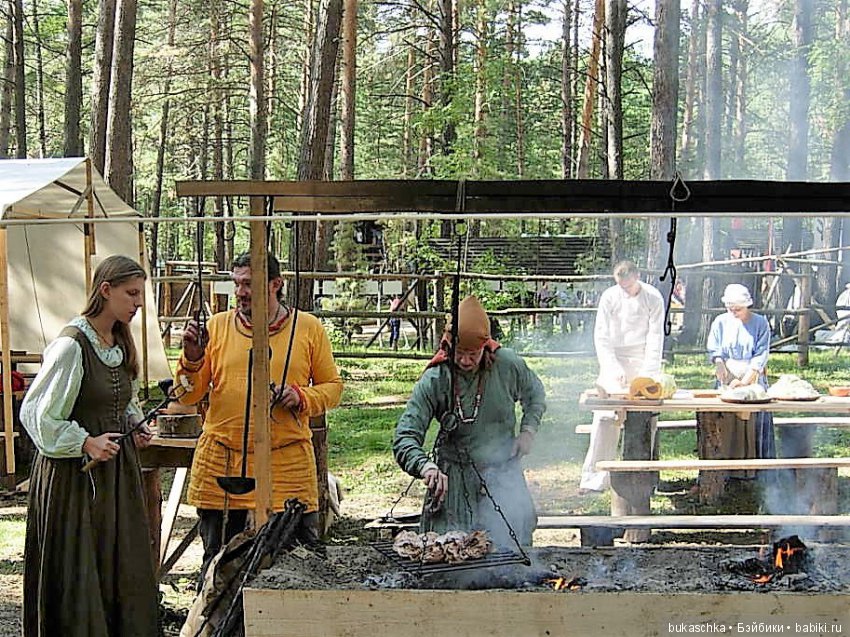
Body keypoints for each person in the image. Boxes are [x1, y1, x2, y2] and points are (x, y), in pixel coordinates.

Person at [177, 252, 343, 578]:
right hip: (223, 462)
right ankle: (217, 626)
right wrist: (191, 359)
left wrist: (300, 396)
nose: (240, 292)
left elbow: (333, 388)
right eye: (237, 283)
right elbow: (187, 394)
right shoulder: (217, 328)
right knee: (219, 563)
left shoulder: (307, 328)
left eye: (249, 284)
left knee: (299, 562)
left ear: (275, 285)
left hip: (287, 464)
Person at [21, 255, 159, 637]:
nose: (137, 302)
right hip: (74, 482)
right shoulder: (72, 345)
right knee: (81, 567)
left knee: (120, 564)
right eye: (130, 293)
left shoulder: (118, 340)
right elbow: (37, 415)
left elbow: (119, 398)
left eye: (139, 294)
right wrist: (85, 442)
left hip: (116, 477)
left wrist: (135, 422)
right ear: (105, 290)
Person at [393, 295, 546, 547]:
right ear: (448, 345)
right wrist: (425, 467)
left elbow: (535, 395)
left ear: (485, 346)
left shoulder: (508, 365)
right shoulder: (436, 379)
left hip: (502, 474)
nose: (465, 361)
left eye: (472, 354)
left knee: (512, 547)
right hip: (454, 478)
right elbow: (405, 437)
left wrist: (528, 430)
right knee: (450, 548)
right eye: (459, 353)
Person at [580, 260, 665, 494]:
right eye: (620, 285)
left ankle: (644, 477)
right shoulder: (609, 297)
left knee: (646, 417)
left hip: (642, 359)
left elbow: (656, 336)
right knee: (605, 418)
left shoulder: (653, 297)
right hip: (614, 358)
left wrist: (648, 372)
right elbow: (602, 336)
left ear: (637, 277)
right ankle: (594, 478)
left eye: (628, 285)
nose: (624, 290)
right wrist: (611, 366)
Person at [707, 283, 775, 458]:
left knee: (753, 422)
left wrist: (745, 382)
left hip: (751, 377)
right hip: (727, 377)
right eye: (731, 309)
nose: (734, 312)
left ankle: (755, 470)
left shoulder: (760, 323)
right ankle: (727, 467)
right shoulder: (720, 322)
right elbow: (715, 347)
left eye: (738, 309)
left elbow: (761, 355)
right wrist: (719, 362)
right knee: (727, 422)